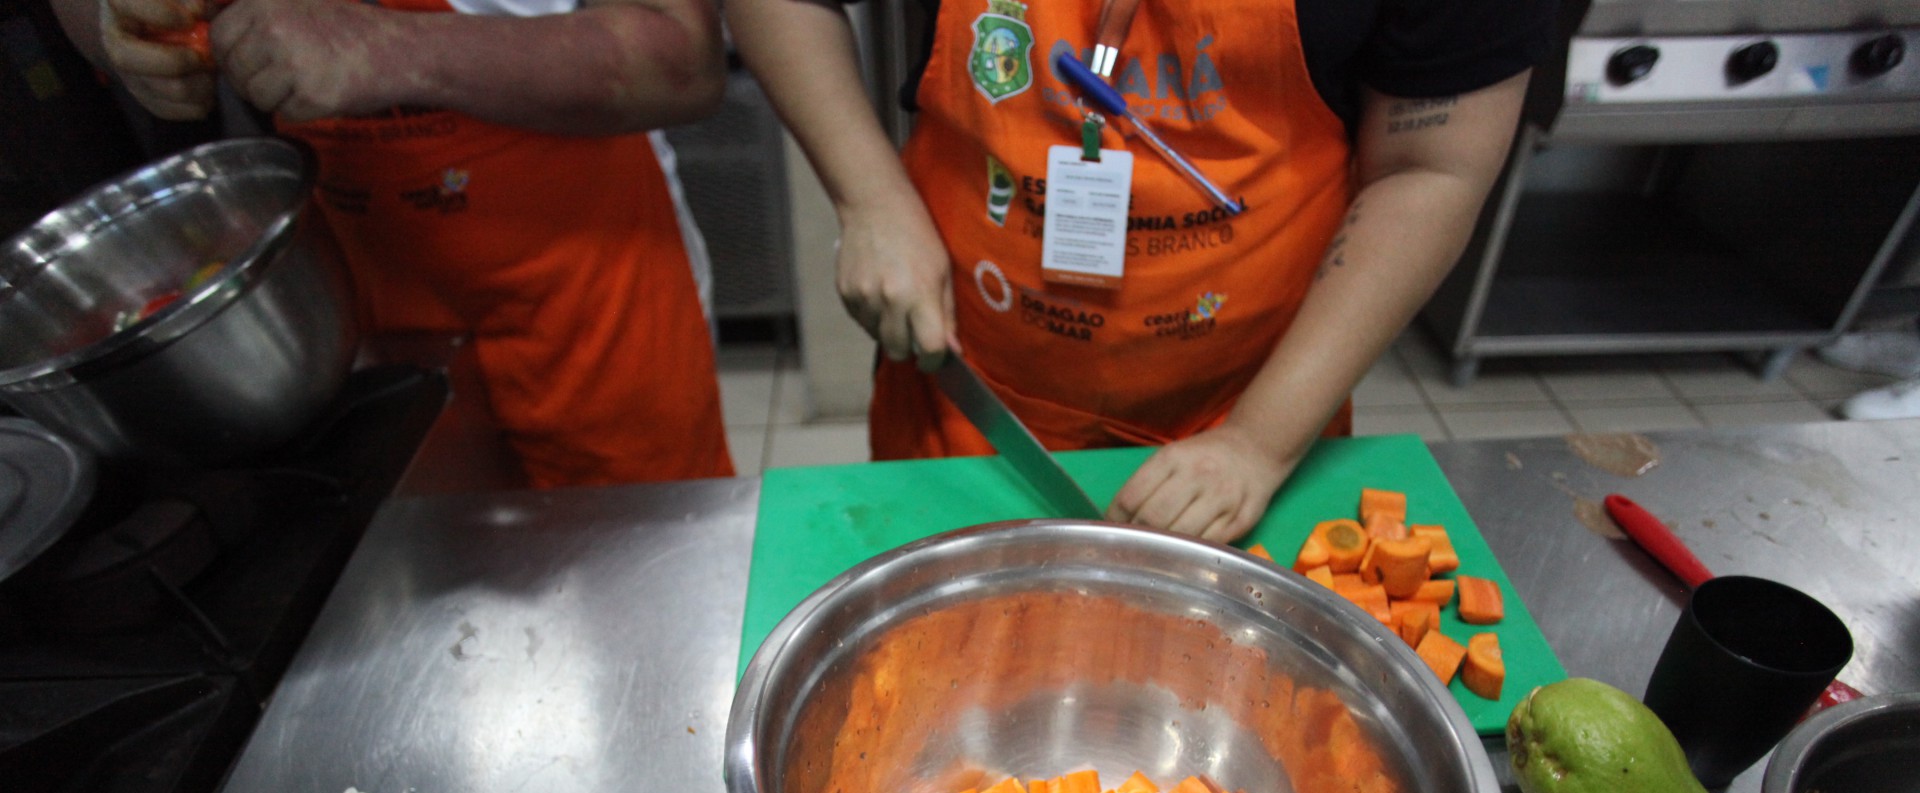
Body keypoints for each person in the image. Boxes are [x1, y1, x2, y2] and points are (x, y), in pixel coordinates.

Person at [730, 0, 1558, 541]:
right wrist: (869, 197)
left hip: (1254, 407)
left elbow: (1430, 169)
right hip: (967, 398)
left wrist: (1259, 443)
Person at [53, 0, 734, 488]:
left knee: (635, 569)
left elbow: (682, 58)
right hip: (360, 290)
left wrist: (388, 48)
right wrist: (120, 29)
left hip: (588, 291)